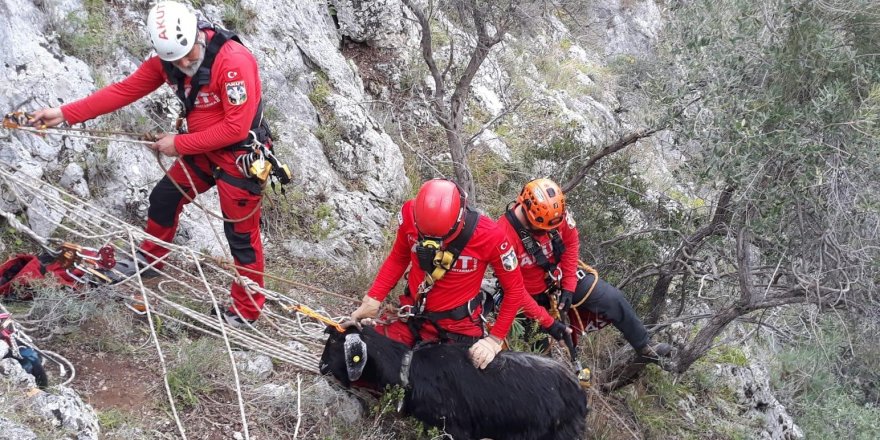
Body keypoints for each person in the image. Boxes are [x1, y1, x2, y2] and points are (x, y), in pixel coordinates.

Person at [29, 1, 269, 328]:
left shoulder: (233, 62)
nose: (184, 63)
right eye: (175, 59)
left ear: (198, 33)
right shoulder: (166, 63)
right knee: (163, 200)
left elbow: (235, 128)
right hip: (203, 151)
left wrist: (178, 144)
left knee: (241, 236)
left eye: (188, 54)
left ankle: (246, 311)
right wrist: (64, 114)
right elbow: (123, 91)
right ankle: (152, 260)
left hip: (238, 157)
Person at [349, 178, 569, 369]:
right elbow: (399, 257)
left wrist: (494, 339)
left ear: (460, 217)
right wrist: (374, 298)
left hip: (459, 328)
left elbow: (514, 290)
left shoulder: (490, 236)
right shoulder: (408, 214)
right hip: (413, 316)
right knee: (363, 355)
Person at [497, 178, 672, 360]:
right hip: (527, 295)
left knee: (611, 298)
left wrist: (568, 285)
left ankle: (645, 346)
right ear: (526, 210)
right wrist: (548, 322)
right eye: (541, 229)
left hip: (560, 279)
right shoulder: (502, 236)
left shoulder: (555, 215)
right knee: (540, 355)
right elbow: (514, 290)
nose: (547, 232)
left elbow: (570, 243)